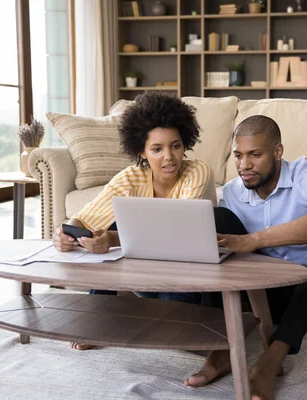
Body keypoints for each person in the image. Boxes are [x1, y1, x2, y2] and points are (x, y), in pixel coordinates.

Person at [185, 115, 307, 400]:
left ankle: (273, 358)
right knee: (217, 218)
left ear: (278, 152)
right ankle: (222, 350)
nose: (244, 166)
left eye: (255, 154)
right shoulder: (232, 192)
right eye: (239, 156)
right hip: (263, 301)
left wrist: (255, 239)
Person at [52, 92, 216, 349]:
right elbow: (84, 218)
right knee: (105, 232)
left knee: (172, 334)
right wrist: (66, 233)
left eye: (175, 145)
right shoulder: (131, 177)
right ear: (142, 150)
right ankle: (98, 319)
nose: (169, 157)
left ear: (185, 144)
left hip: (185, 274)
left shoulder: (198, 171)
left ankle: (144, 316)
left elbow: (178, 231)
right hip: (144, 275)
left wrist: (114, 239)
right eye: (157, 149)